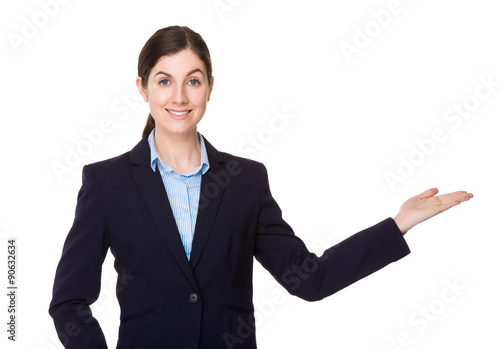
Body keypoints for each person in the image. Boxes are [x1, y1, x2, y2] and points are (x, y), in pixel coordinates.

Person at [48, 25, 473, 349]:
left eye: (193, 81)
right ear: (143, 89)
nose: (179, 96)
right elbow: (68, 302)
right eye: (164, 81)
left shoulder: (245, 181)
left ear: (210, 88)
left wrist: (398, 224)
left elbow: (310, 279)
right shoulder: (107, 183)